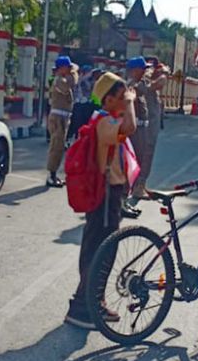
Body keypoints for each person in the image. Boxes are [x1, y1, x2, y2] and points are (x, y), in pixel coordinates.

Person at [64, 72, 138, 329]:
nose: (124, 100)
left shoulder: (106, 119)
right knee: (100, 249)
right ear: (107, 100)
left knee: (99, 246)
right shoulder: (105, 122)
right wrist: (130, 102)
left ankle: (92, 302)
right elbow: (130, 128)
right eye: (119, 96)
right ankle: (84, 307)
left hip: (109, 192)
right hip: (105, 194)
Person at [124, 56, 168, 215]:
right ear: (135, 70)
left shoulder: (141, 82)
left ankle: (138, 187)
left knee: (144, 159)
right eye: (144, 68)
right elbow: (156, 84)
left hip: (148, 126)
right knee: (137, 160)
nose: (146, 71)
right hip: (141, 129)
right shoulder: (135, 84)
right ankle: (132, 191)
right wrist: (159, 73)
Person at [46, 56, 78, 188]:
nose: (70, 69)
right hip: (57, 118)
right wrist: (74, 72)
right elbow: (70, 84)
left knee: (59, 148)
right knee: (56, 147)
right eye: (68, 67)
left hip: (64, 118)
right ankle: (51, 176)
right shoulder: (59, 80)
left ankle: (54, 174)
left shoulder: (64, 78)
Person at [66, 65, 99, 147]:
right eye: (89, 72)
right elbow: (84, 87)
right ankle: (72, 140)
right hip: (79, 104)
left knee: (84, 123)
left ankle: (80, 140)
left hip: (86, 104)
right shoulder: (80, 80)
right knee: (76, 123)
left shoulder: (90, 81)